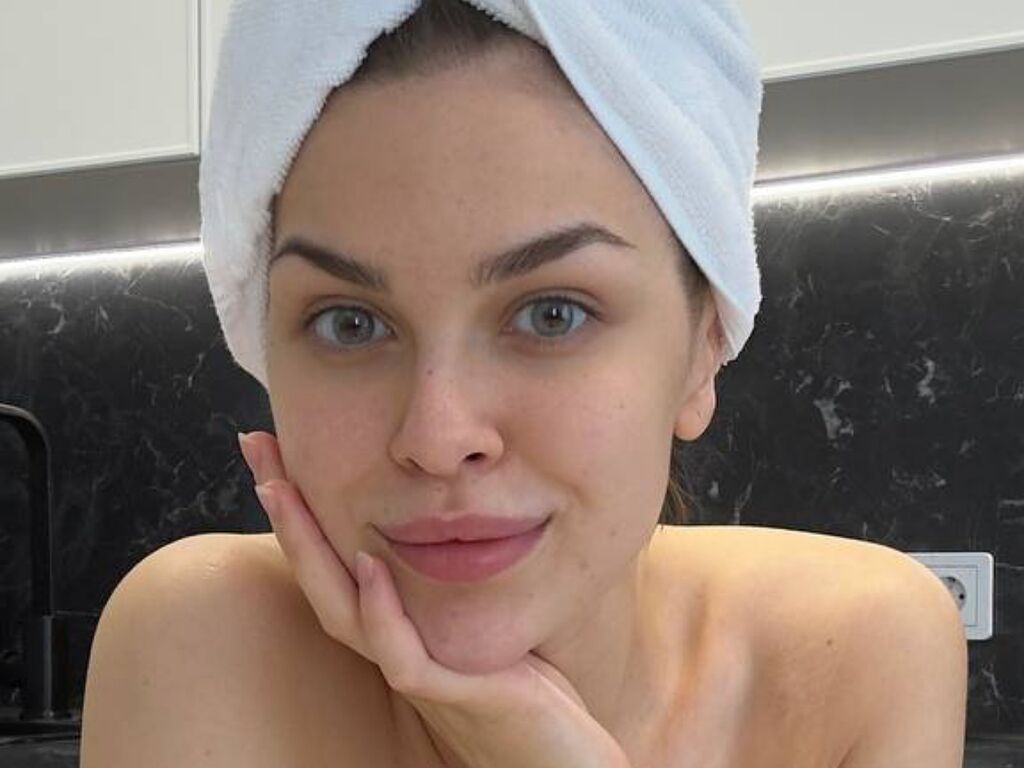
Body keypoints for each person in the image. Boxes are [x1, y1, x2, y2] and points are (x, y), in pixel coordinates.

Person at [79, 1, 968, 766]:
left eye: (552, 314)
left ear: (703, 348)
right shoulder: (205, 646)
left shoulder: (853, 659)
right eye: (350, 323)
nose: (437, 436)